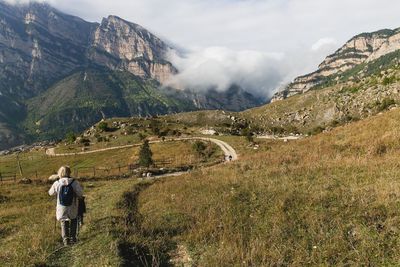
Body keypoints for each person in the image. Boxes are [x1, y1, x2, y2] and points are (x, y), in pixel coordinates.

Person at [49, 166, 83, 246]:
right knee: (74, 220)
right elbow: (80, 194)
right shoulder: (74, 182)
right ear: (69, 172)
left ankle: (66, 240)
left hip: (62, 207)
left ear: (60, 173)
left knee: (64, 222)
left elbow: (50, 193)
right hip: (73, 206)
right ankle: (73, 238)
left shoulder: (57, 183)